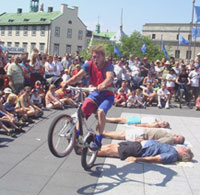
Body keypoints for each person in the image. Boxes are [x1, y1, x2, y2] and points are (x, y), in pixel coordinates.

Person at [62, 45, 114, 150]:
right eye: (93, 57)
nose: (95, 59)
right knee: (81, 111)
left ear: (103, 57)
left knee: (100, 112)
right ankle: (77, 134)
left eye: (97, 57)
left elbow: (110, 77)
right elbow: (77, 76)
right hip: (95, 93)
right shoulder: (89, 64)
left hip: (107, 95)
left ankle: (98, 140)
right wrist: (66, 83)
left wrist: (103, 84)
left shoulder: (108, 65)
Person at [97, 140, 194, 164]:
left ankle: (86, 151)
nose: (183, 148)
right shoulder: (173, 152)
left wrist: (136, 159)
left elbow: (156, 159)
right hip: (140, 145)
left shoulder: (172, 155)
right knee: (112, 146)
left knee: (110, 151)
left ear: (184, 154)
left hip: (139, 150)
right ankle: (90, 148)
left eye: (185, 149)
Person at [103, 127, 184, 145]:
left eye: (177, 137)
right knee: (123, 133)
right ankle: (104, 132)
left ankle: (103, 133)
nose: (176, 135)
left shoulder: (170, 139)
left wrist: (144, 141)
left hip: (142, 135)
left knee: (122, 135)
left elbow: (157, 142)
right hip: (143, 132)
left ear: (177, 141)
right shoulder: (170, 135)